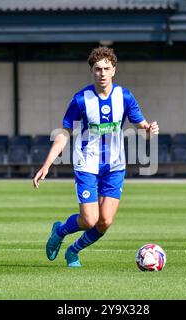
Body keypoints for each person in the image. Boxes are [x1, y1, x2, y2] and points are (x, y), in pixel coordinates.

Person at [33, 47, 159, 267]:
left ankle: (73, 251)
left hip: (115, 166)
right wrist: (47, 164)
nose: (102, 73)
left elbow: (141, 126)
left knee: (104, 222)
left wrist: (148, 131)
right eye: (97, 69)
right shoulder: (81, 100)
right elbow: (64, 133)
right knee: (89, 220)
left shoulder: (124, 97)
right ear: (91, 71)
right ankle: (60, 231)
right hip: (87, 164)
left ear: (114, 70)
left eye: (106, 68)